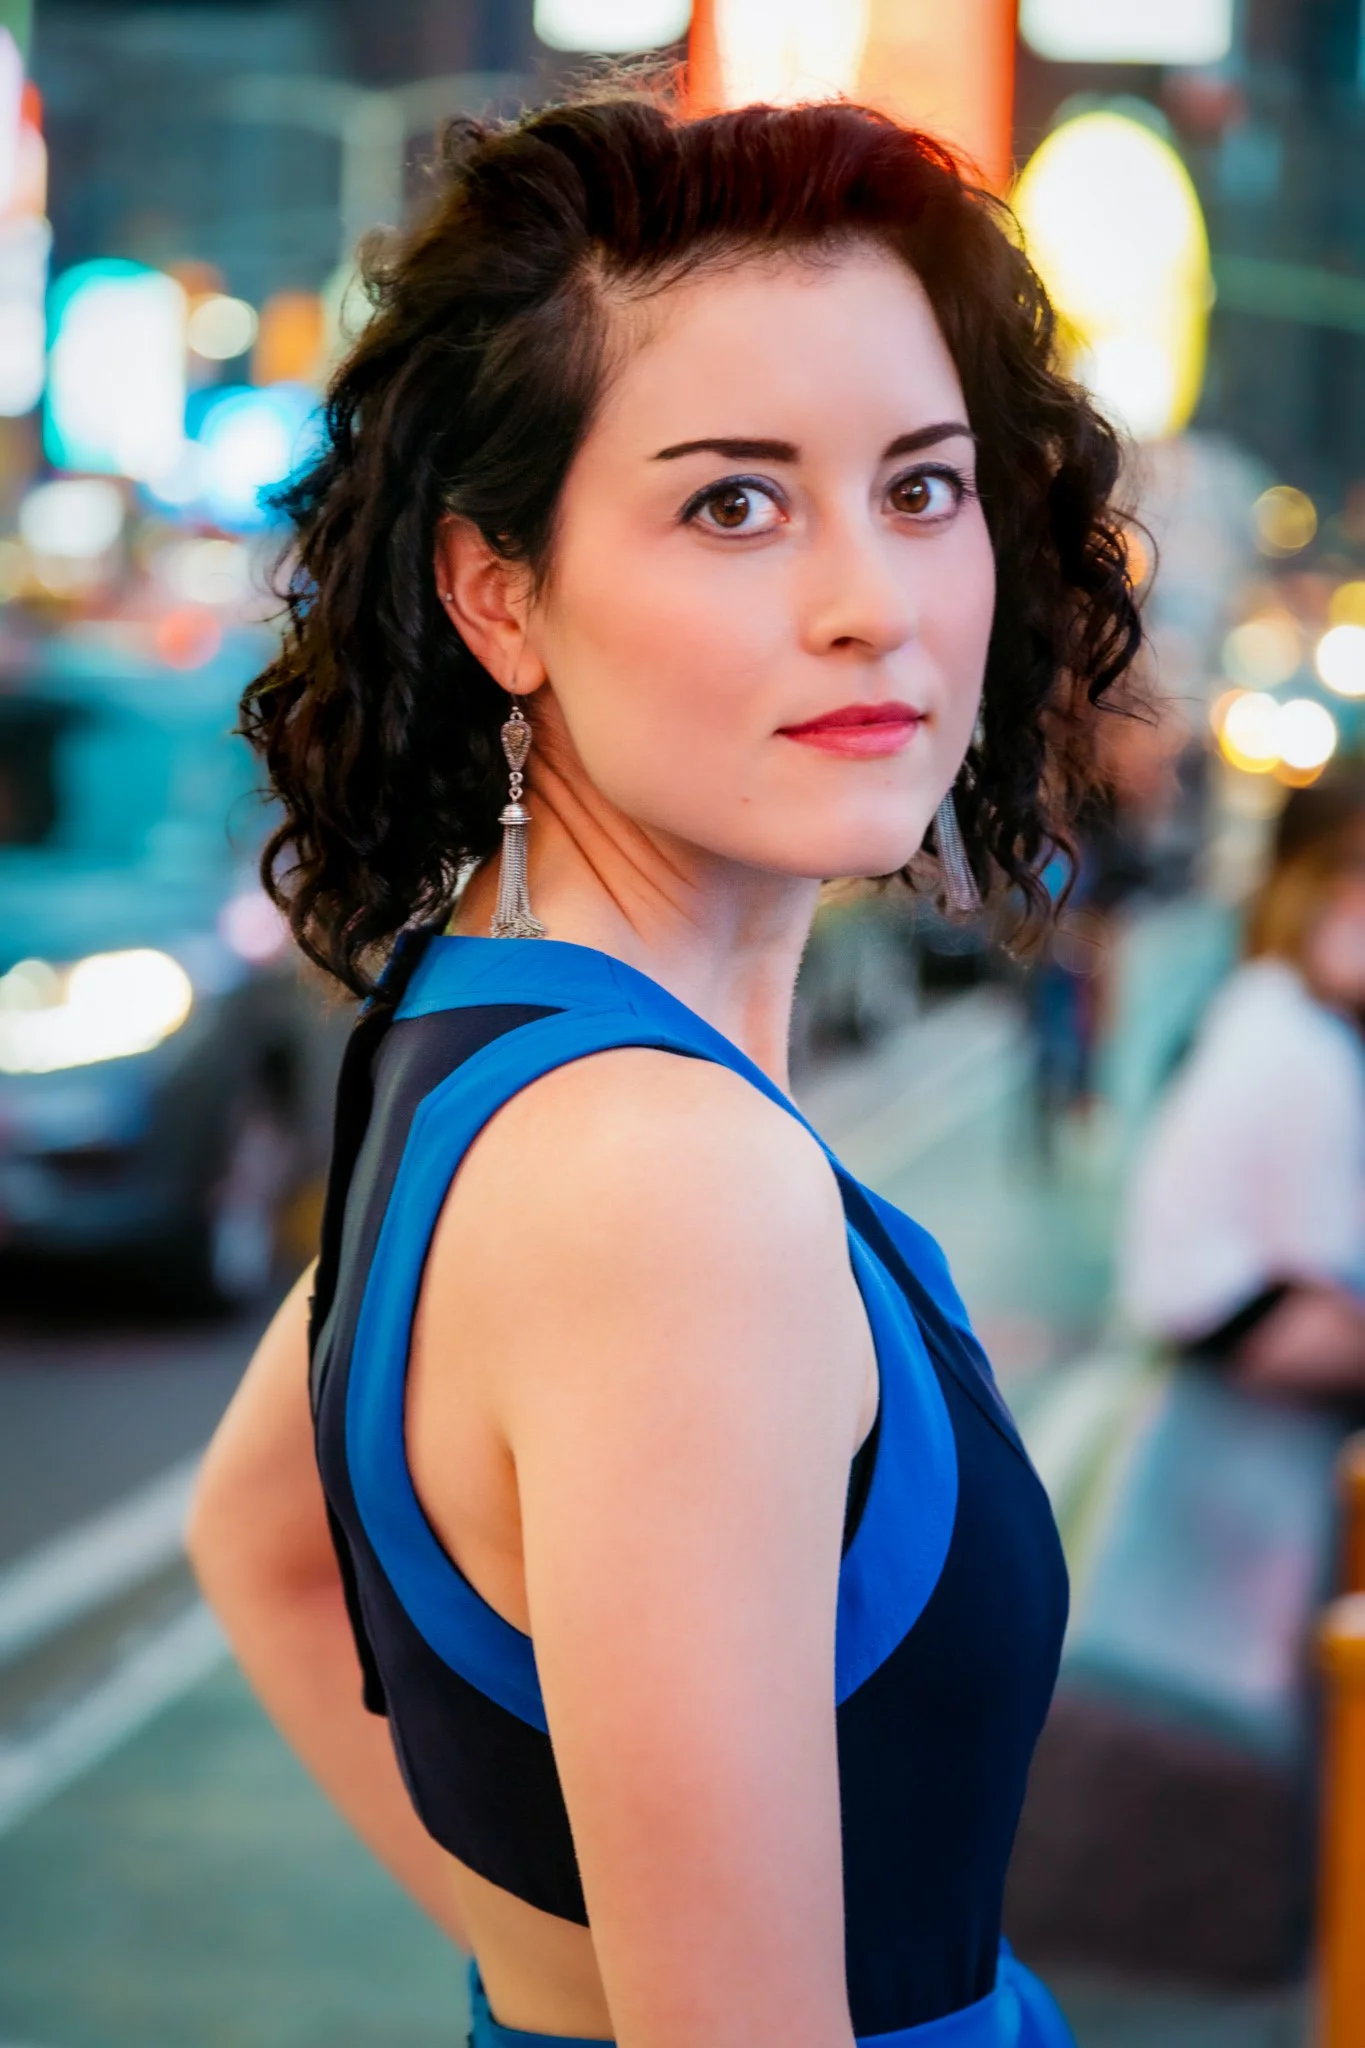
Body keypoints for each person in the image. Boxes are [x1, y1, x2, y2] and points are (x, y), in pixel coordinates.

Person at [187, 91, 1141, 2048]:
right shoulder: (662, 1186)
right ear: (498, 594)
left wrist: (559, 1971)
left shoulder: (482, 1045)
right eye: (732, 500)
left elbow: (259, 1541)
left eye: (921, 485)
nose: (867, 597)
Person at [1120, 768, 1365, 1397]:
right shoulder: (1305, 1039)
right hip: (1227, 1310)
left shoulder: (1259, 998)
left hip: (1192, 1297)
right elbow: (1321, 1256)